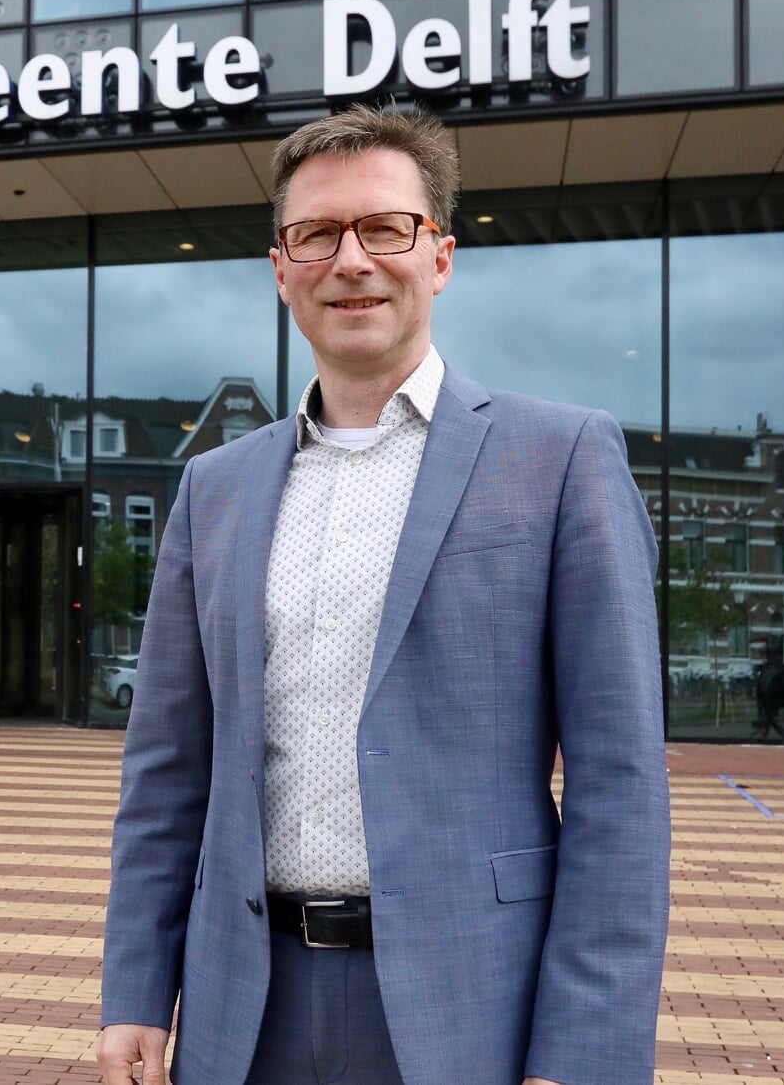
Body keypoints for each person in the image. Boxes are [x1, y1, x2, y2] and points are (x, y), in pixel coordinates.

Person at [96, 104, 670, 1085]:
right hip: (246, 1006)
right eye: (316, 234)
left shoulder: (560, 457)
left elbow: (620, 785)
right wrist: (137, 992)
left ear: (438, 255)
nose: (349, 258)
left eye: (384, 228)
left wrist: (581, 1049)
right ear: (281, 269)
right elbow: (166, 771)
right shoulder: (215, 488)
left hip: (471, 1009)